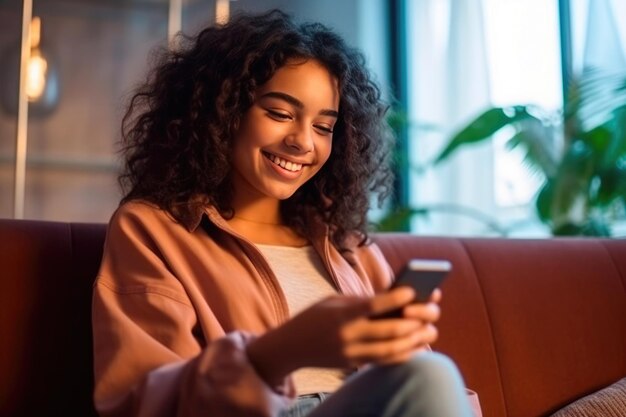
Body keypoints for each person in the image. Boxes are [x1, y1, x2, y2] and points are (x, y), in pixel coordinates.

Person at [92, 9, 481, 417]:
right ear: (224, 112)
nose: (302, 142)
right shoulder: (153, 230)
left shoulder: (346, 245)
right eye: (280, 114)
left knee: (428, 372)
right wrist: (277, 353)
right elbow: (143, 402)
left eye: (324, 127)